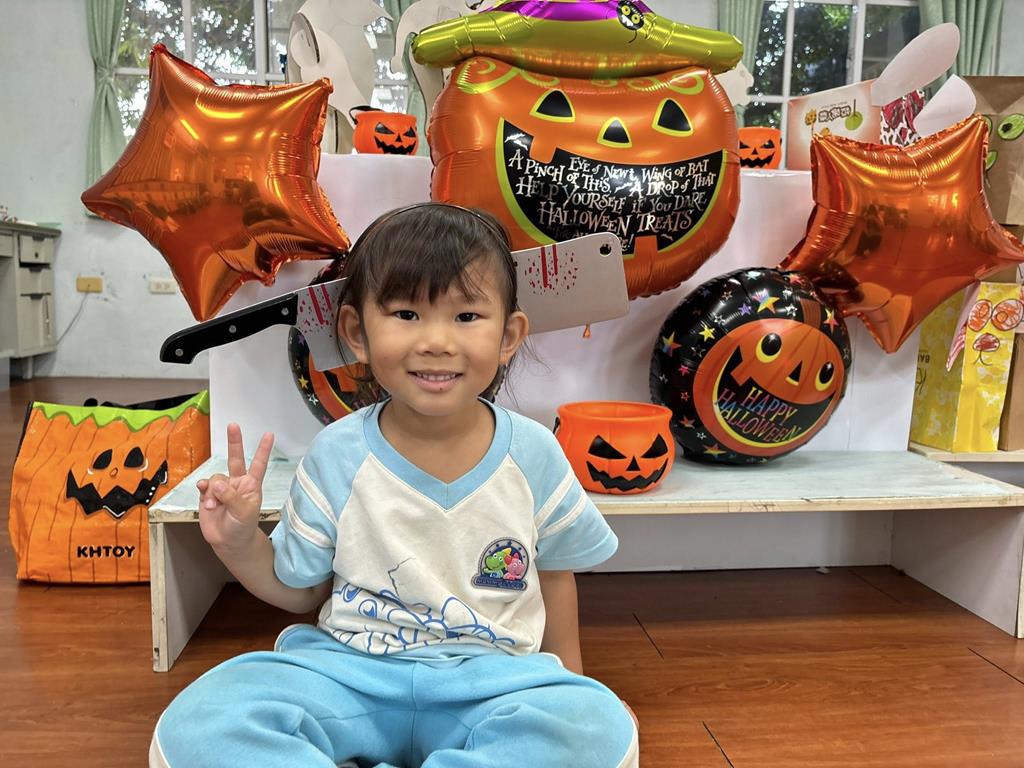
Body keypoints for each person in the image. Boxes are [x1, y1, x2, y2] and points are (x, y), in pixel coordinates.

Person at [150, 203, 639, 768]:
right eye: (406, 314)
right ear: (356, 333)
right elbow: (301, 593)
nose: (436, 341)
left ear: (508, 336)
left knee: (597, 729)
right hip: (350, 676)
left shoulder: (533, 454)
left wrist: (572, 690)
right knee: (201, 723)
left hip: (490, 683)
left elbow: (554, 576)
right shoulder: (337, 453)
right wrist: (238, 543)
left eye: (466, 316)